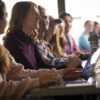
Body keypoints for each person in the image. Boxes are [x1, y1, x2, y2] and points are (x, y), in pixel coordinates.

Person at [0, 1, 84, 99]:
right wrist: (40, 80)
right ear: (22, 18)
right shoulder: (12, 41)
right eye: (35, 14)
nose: (39, 19)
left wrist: (63, 72)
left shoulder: (28, 40)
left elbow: (21, 72)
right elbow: (5, 88)